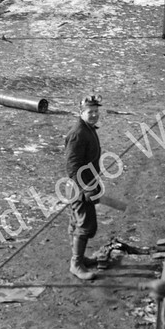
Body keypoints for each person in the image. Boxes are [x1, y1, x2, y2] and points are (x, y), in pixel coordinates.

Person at [63, 95, 104, 281]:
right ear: (81, 113)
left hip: (84, 183)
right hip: (79, 187)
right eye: (90, 112)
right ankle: (76, 264)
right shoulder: (78, 133)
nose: (94, 115)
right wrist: (87, 188)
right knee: (85, 224)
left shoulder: (87, 128)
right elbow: (72, 166)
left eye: (96, 111)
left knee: (76, 221)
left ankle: (79, 259)